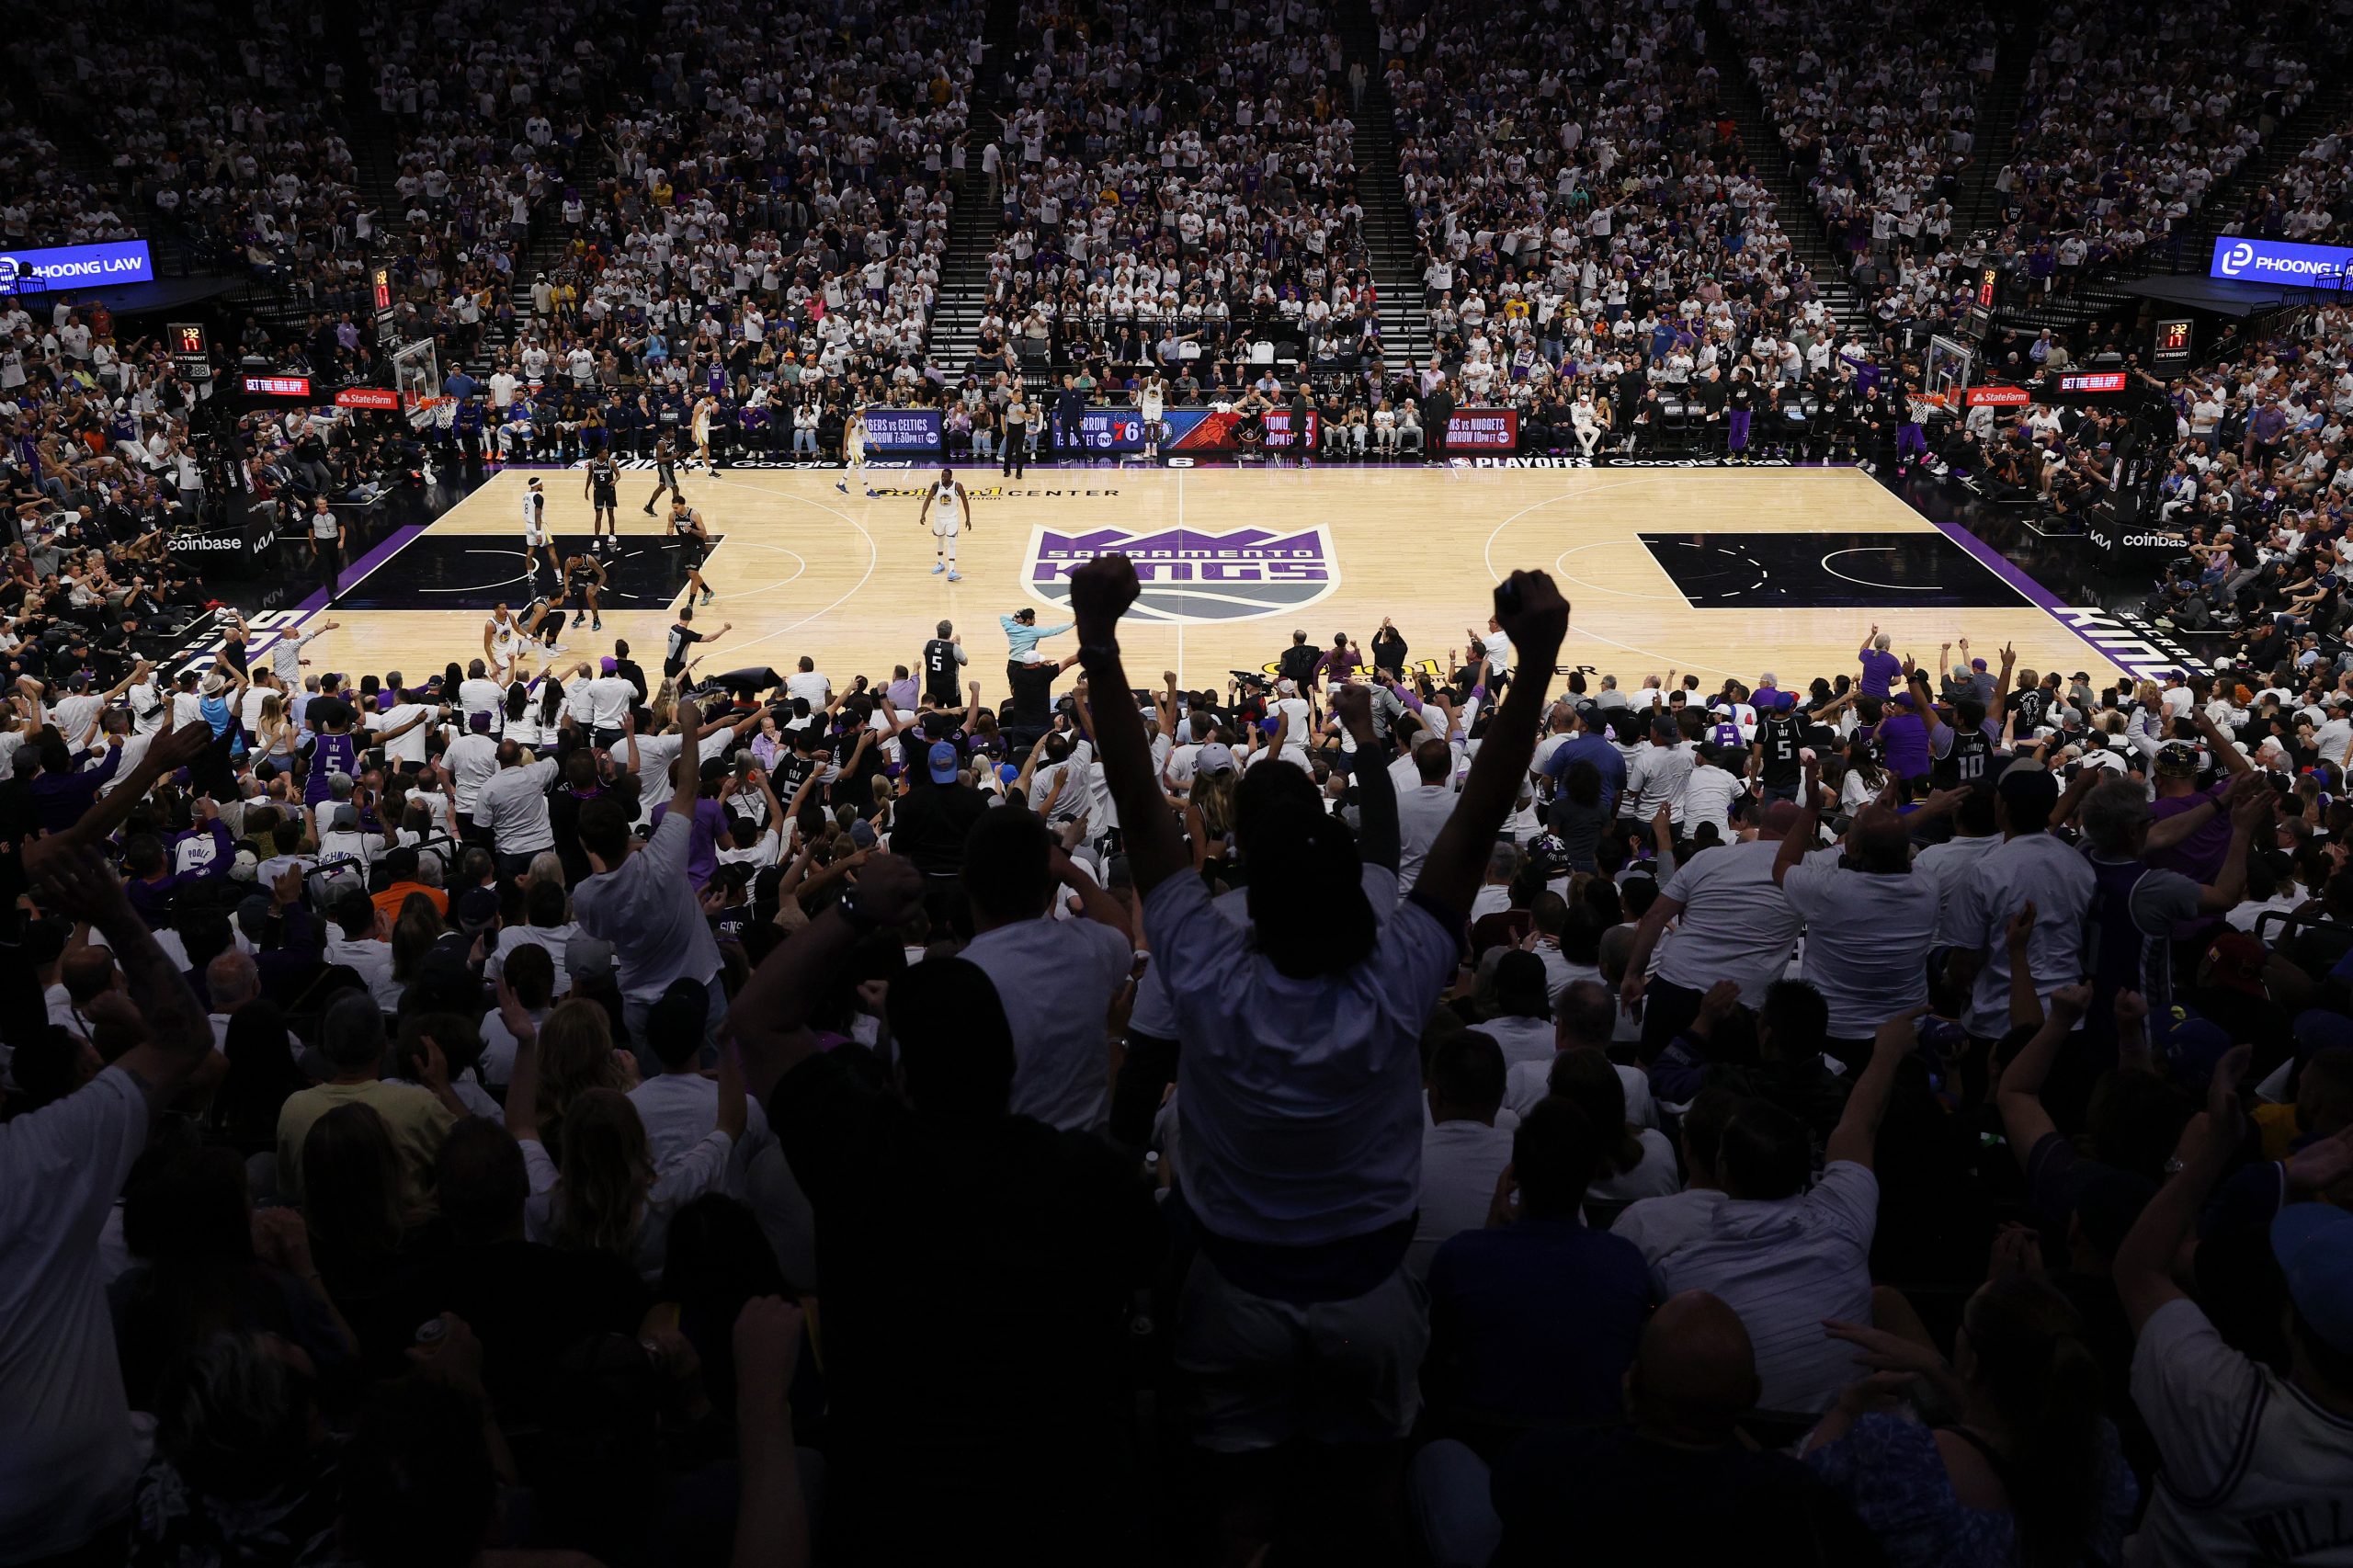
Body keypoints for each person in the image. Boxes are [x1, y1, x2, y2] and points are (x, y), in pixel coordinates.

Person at [1069, 551, 1570, 1553]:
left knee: (1236, 1506)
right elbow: (1478, 815)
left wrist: (1099, 638)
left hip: (1235, 1286)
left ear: (1248, 884)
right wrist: (1537, 656)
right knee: (1369, 1497)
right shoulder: (1402, 966)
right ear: (1353, 887)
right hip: (1371, 1291)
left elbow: (1135, 791)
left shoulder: (1205, 961)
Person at [1651, 1011, 1915, 1413]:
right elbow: (1859, 1126)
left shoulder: (1682, 1276)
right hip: (1847, 1440)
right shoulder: (1843, 1221)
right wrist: (1886, 1053)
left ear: (1721, 1169)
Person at [1804, 1274, 2140, 1568]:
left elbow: (1808, 1483)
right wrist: (1935, 1366)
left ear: (1974, 1363)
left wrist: (1847, 1408)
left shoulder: (1901, 1456)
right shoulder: (2099, 1443)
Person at [573, 697, 728, 1050]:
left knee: (655, 1084)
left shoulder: (587, 897)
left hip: (642, 1002)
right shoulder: (664, 855)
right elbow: (688, 788)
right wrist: (689, 727)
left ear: (587, 844)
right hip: (699, 986)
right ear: (627, 833)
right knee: (719, 1076)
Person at [916, 465, 972, 580]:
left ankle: (951, 570)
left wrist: (968, 519)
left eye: (945, 476)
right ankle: (940, 563)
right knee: (940, 540)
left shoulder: (958, 486)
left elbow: (965, 502)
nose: (943, 478)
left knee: (951, 542)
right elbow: (927, 500)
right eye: (942, 476)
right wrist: (923, 514)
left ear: (951, 477)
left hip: (952, 518)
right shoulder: (936, 485)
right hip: (939, 518)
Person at [308, 494, 345, 602]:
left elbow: (342, 527)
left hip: (333, 541)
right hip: (321, 542)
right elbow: (310, 531)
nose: (322, 506)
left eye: (324, 504)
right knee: (325, 567)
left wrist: (342, 540)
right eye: (320, 504)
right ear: (316, 504)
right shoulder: (312, 516)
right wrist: (313, 545)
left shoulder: (334, 513)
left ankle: (334, 584)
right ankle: (330, 592)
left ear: (326, 503)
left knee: (334, 565)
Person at [584, 446, 621, 551]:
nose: (607, 455)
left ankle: (612, 534)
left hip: (609, 490)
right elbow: (590, 476)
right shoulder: (592, 463)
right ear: (599, 454)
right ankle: (596, 539)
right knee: (598, 515)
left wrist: (615, 481)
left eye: (607, 453)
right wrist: (586, 489)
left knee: (610, 513)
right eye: (605, 453)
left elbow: (618, 475)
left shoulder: (611, 462)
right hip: (598, 491)